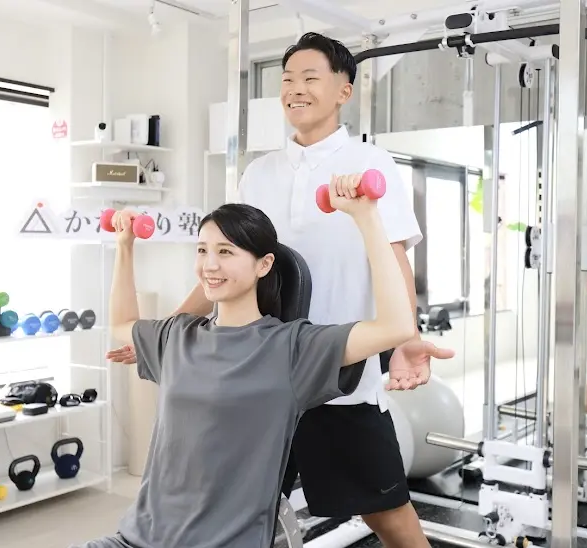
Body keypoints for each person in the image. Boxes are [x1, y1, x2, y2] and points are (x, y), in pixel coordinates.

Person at [108, 32, 454, 548]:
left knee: (388, 513)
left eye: (311, 78)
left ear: (344, 90)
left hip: (334, 370)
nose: (295, 89)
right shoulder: (258, 173)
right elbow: (229, 263)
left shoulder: (372, 165)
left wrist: (404, 344)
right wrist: (177, 332)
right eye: (287, 79)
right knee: (244, 505)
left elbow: (396, 258)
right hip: (259, 375)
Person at [76, 180, 416, 548]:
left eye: (225, 251)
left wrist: (366, 217)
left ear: (264, 265)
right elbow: (121, 325)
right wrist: (124, 247)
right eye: (202, 250)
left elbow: (395, 326)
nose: (210, 264)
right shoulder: (177, 336)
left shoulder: (292, 349)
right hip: (136, 539)